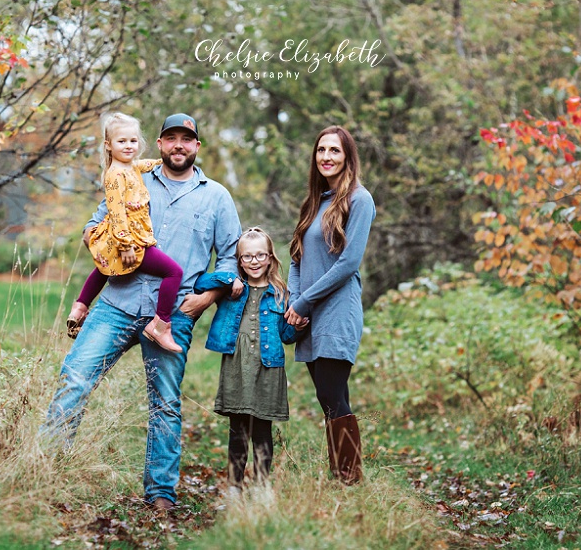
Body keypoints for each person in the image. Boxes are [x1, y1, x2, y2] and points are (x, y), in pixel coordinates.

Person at [42, 113, 242, 511]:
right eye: (171, 138)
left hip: (173, 315)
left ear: (197, 146)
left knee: (165, 403)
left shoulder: (216, 197)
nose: (179, 146)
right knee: (74, 380)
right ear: (160, 143)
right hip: (117, 302)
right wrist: (96, 238)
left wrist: (205, 299)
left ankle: (161, 494)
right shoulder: (131, 177)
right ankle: (43, 472)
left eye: (187, 139)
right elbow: (95, 224)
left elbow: (233, 257)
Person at [284, 126, 376, 485]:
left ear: (347, 156)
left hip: (337, 311)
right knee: (331, 398)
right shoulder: (315, 201)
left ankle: (349, 479)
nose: (326, 156)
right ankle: (343, 477)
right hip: (308, 313)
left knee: (331, 395)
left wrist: (304, 301)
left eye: (334, 150)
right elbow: (295, 258)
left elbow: (348, 263)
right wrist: (294, 301)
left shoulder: (360, 200)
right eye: (321, 149)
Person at [193, 227, 304, 490]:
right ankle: (234, 486)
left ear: (270, 258)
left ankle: (263, 486)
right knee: (238, 429)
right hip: (237, 367)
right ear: (240, 260)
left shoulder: (281, 293)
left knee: (263, 430)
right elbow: (200, 282)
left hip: (268, 368)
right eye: (247, 257)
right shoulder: (232, 289)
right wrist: (229, 280)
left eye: (260, 255)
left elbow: (286, 336)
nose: (254, 262)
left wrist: (300, 326)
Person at [65, 112, 184, 353]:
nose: (129, 146)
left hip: (124, 237)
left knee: (104, 267)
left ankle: (80, 306)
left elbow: (143, 165)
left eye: (133, 141)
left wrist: (164, 160)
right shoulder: (114, 175)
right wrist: (127, 245)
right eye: (122, 141)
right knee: (174, 272)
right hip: (131, 239)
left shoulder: (128, 167)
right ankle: (161, 325)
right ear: (108, 145)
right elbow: (117, 212)